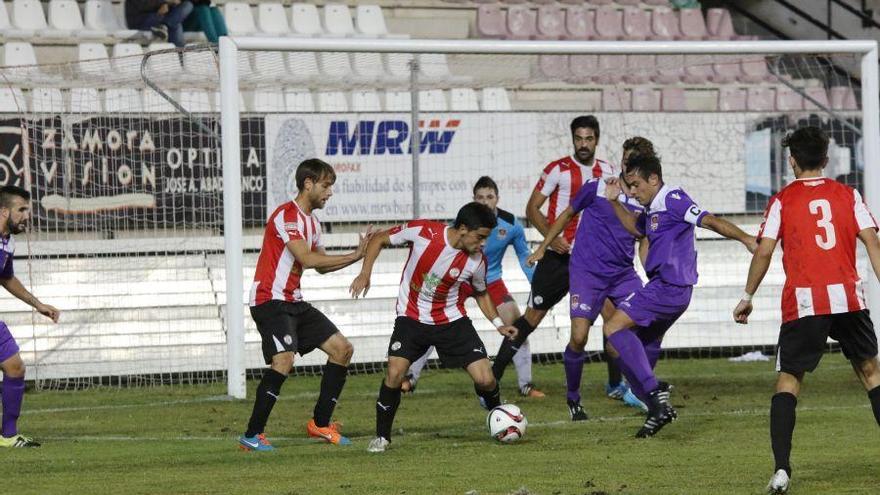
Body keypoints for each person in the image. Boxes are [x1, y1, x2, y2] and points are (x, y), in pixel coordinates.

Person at [732, 127, 880, 494]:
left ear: (791, 160)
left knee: (789, 381)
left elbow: (764, 251)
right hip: (848, 298)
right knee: (872, 373)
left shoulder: (783, 200)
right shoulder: (849, 195)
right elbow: (873, 243)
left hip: (805, 302)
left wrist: (748, 295)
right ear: (827, 160)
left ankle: (782, 470)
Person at [491, 115, 643, 420]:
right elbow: (532, 208)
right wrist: (552, 238)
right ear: (573, 139)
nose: (583, 144)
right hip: (559, 257)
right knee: (532, 317)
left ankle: (617, 385)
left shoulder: (609, 174)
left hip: (593, 261)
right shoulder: (557, 170)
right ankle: (491, 380)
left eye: (589, 139)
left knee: (613, 321)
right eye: (579, 138)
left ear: (597, 140)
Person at [603, 152, 755, 437]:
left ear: (654, 178)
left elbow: (709, 220)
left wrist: (746, 239)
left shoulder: (672, 198)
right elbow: (636, 229)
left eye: (636, 185)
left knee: (612, 327)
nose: (633, 192)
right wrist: (613, 201)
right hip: (672, 291)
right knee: (619, 347)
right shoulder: (652, 208)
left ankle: (654, 392)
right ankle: (656, 410)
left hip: (668, 288)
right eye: (629, 186)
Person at [350, 202, 518, 453]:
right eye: (480, 237)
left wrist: (498, 325)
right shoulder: (423, 232)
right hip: (411, 317)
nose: (483, 244)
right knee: (395, 374)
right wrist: (365, 273)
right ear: (463, 229)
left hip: (451, 320)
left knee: (486, 379)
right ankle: (382, 437)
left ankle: (496, 412)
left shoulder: (476, 261)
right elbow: (379, 240)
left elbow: (481, 293)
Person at [239, 159, 373, 451]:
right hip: (270, 300)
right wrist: (355, 255)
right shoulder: (287, 216)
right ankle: (252, 435)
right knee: (284, 360)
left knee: (343, 349)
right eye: (326, 186)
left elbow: (321, 267)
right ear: (308, 184)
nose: (330, 193)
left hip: (294, 302)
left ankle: (320, 424)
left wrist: (355, 257)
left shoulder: (312, 221)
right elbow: (308, 259)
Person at [528, 138, 656, 418]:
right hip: (587, 273)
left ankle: (641, 391)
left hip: (622, 275)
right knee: (579, 337)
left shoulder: (646, 199)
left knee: (646, 327)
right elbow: (567, 214)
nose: (626, 163)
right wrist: (543, 246)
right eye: (625, 158)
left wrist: (653, 271)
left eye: (633, 160)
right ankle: (573, 399)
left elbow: (643, 236)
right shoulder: (596, 186)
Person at [400, 176, 544, 398]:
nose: (485, 201)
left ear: (498, 198)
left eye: (489, 197)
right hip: (456, 282)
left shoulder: (511, 224)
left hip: (491, 281)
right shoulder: (466, 222)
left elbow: (525, 255)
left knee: (517, 324)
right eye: (480, 197)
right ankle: (410, 378)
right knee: (431, 323)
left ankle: (526, 384)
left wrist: (538, 285)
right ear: (473, 199)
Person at [0, 186, 60, 448]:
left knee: (15, 368)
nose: (26, 215)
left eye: (27, 210)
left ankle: (9, 437)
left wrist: (37, 304)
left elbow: (6, 277)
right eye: (21, 210)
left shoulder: (7, 242)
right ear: (4, 211)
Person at [125, 0, 194, 48]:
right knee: (175, 24)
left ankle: (164, 25)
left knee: (187, 5)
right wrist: (164, 3)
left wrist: (169, 4)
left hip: (160, 18)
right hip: (141, 21)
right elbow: (143, 5)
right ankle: (180, 57)